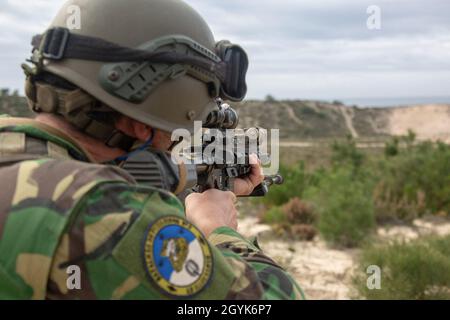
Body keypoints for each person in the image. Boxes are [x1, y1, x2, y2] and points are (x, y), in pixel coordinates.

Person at [0, 0, 304, 300]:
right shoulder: (102, 212)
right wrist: (217, 228)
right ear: (142, 125)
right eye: (179, 130)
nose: (179, 140)